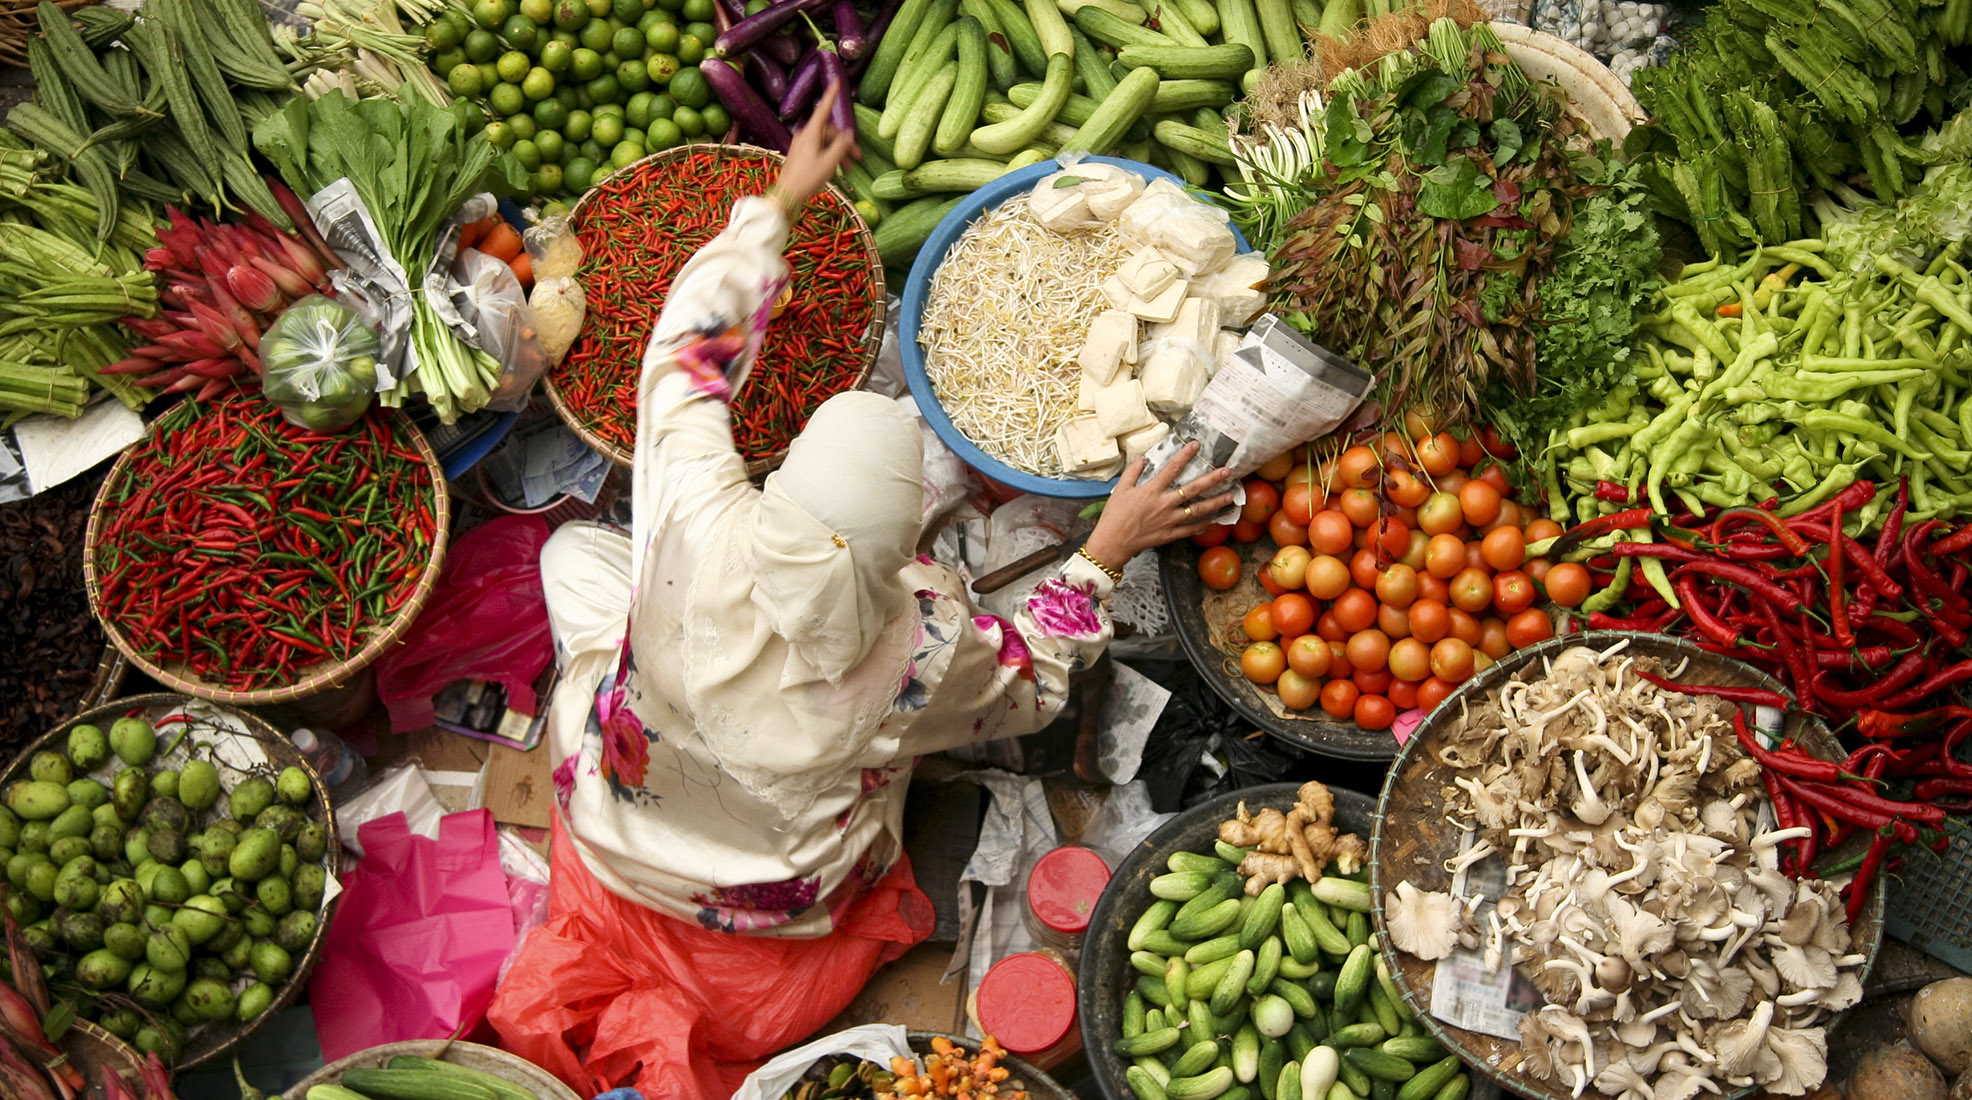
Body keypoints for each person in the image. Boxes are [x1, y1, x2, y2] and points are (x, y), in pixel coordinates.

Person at [489, 86, 1237, 1100]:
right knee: (916, 741)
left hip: (619, 800)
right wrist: (1103, 551)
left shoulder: (698, 514)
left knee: (575, 554)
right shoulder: (912, 655)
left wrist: (774, 206)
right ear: (895, 558)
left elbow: (683, 357)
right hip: (768, 888)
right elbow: (1034, 677)